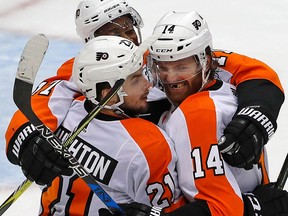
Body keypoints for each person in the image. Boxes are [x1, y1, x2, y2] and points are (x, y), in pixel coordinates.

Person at [5, 0, 284, 187]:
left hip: (188, 181)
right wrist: (29, 142)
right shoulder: (85, 71)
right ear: (91, 43)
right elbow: (39, 102)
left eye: (127, 28)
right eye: (109, 34)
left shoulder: (163, 57)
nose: (123, 38)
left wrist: (256, 116)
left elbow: (250, 70)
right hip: (134, 186)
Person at [99, 11, 288, 216]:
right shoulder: (217, 90)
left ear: (206, 61)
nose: (170, 78)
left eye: (181, 66)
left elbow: (222, 209)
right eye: (163, 67)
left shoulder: (197, 114)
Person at [39, 35, 187, 215]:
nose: (148, 85)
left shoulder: (62, 115)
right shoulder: (148, 146)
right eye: (136, 79)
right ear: (108, 93)